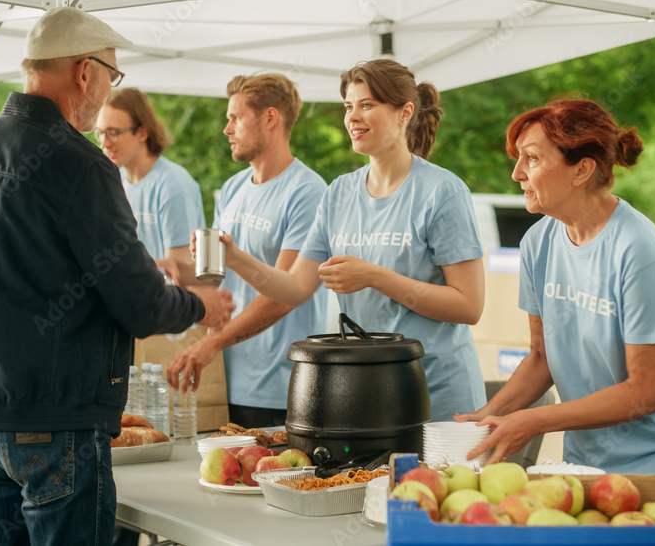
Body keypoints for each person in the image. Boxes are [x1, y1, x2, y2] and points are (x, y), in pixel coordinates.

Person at [0, 7, 234, 545]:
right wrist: (200, 306)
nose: (108, 89)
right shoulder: (81, 165)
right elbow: (139, 303)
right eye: (112, 75)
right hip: (56, 425)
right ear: (84, 72)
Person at [456, 98, 655, 474]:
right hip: (588, 464)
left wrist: (535, 420)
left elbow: (650, 390)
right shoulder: (538, 243)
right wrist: (484, 418)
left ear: (582, 169)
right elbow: (542, 357)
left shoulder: (640, 251)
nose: (517, 173)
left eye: (532, 159)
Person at [217, 59, 487, 423]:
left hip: (437, 393)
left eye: (367, 105)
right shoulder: (338, 193)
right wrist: (234, 257)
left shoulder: (443, 191)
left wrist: (375, 277)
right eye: (348, 106)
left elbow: (469, 306)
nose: (353, 117)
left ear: (405, 112)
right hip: (366, 392)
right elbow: (295, 288)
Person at [166, 74, 327, 428]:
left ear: (271, 118)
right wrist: (172, 272)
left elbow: (285, 294)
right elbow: (220, 280)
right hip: (226, 379)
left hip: (281, 387)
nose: (227, 129)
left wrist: (213, 343)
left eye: (236, 118)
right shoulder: (233, 187)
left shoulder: (307, 192)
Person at [95, 88, 205, 264]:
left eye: (113, 132)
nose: (104, 143)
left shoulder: (173, 185)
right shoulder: (116, 182)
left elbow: (179, 269)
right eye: (100, 132)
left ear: (142, 132)